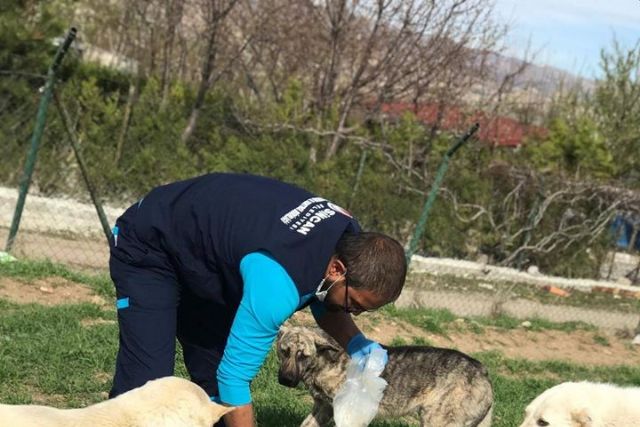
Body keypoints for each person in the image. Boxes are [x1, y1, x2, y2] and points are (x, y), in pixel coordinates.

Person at [108, 173, 407, 427]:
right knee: (146, 390)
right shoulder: (276, 285)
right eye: (353, 305)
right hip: (152, 244)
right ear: (337, 269)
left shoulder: (347, 236)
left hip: (207, 259)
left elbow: (324, 293)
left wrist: (357, 343)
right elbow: (234, 378)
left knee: (216, 390)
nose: (352, 313)